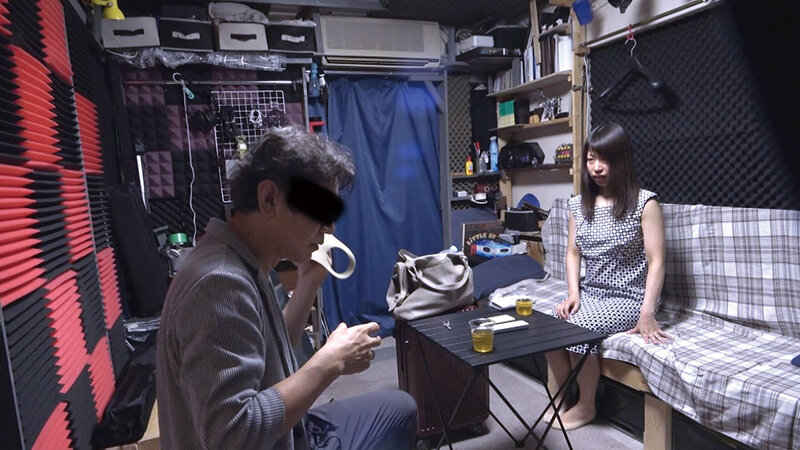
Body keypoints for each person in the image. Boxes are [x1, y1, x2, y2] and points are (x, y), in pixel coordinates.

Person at [156, 126, 418, 449]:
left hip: (290, 432)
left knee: (400, 408)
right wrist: (329, 362)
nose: (330, 228)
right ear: (269, 199)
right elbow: (233, 435)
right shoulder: (219, 283)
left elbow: (273, 353)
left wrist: (308, 283)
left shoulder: (246, 259)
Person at [545, 122, 672, 430]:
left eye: (605, 159)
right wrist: (573, 293)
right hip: (592, 293)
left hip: (629, 298)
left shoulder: (645, 203)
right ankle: (563, 395)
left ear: (621, 160)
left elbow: (657, 261)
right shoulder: (578, 205)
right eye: (591, 159)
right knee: (549, 325)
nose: (597, 168)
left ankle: (586, 405)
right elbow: (572, 253)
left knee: (578, 329)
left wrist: (647, 314)